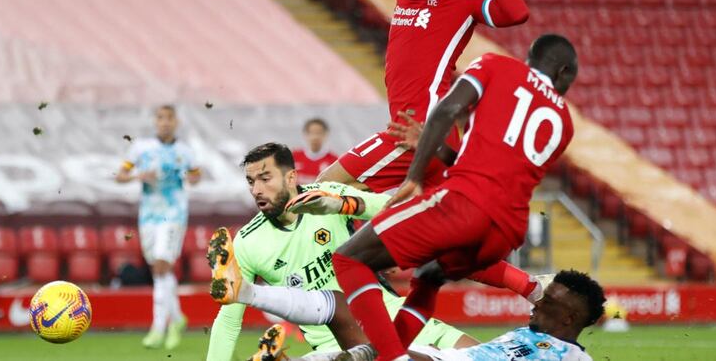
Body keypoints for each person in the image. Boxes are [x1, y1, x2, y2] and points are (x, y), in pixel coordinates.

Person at [332, 34, 579, 361]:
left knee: (349, 259)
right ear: (563, 72)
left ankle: (391, 358)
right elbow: (494, 169)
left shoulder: (495, 65)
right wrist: (436, 146)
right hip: (504, 235)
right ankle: (386, 354)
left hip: (462, 204)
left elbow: (446, 108)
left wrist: (415, 174)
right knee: (429, 277)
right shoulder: (564, 124)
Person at [205, 143, 481, 361]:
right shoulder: (247, 242)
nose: (257, 190)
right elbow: (228, 321)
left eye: (265, 179)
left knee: (484, 355)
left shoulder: (326, 195)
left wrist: (343, 204)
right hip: (335, 342)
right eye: (251, 182)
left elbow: (390, 208)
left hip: (392, 314)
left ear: (291, 177)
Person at [318, 0, 529, 193]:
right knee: (361, 205)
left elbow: (517, 13)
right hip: (416, 132)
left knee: (322, 189)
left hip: (420, 131)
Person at [250, 270, 605, 361]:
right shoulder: (528, 334)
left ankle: (245, 292)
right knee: (353, 347)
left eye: (548, 302)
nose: (536, 304)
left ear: (570, 318)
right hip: (439, 357)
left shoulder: (573, 357)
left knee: (343, 313)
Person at [115, 105, 201, 349]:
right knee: (158, 269)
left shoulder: (185, 151)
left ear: (177, 122)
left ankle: (157, 327)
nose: (165, 123)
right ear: (155, 121)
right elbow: (120, 175)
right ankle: (176, 318)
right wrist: (137, 177)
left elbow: (196, 176)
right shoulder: (141, 148)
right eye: (161, 118)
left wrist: (192, 177)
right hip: (149, 215)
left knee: (162, 265)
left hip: (174, 213)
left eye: (169, 118)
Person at [293, 118, 337, 185]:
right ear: (305, 135)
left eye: (319, 133)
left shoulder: (334, 161)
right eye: (311, 133)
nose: (315, 137)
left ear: (325, 135)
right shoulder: (294, 156)